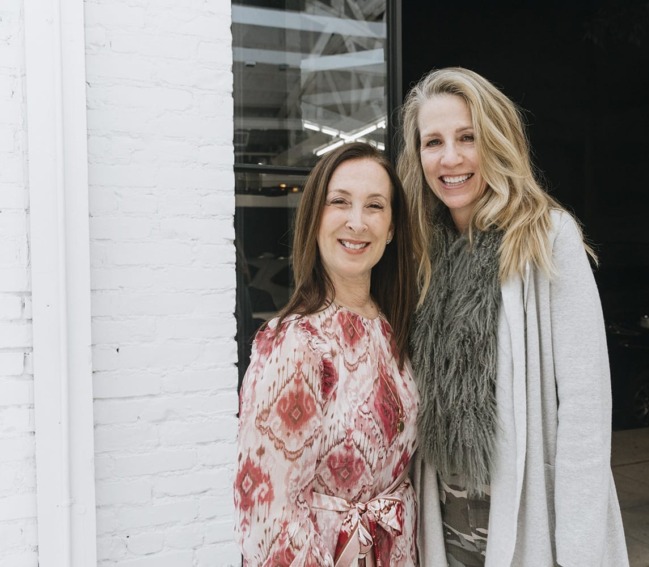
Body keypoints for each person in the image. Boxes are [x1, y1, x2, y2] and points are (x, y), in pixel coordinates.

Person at [398, 67, 628, 566]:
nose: (450, 157)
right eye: (432, 142)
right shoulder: (422, 252)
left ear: (497, 141)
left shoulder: (547, 236)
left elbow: (586, 408)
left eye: (467, 137)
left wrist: (579, 547)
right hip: (441, 524)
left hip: (525, 519)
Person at [233, 142, 419, 566]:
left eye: (375, 206)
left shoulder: (394, 327)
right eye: (340, 202)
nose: (357, 222)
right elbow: (268, 515)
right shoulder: (294, 343)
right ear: (315, 215)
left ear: (391, 228)